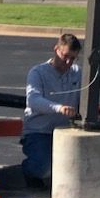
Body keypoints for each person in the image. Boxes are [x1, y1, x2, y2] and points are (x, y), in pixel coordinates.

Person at [21, 34, 82, 189]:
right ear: (56, 50)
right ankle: (30, 171)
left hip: (67, 131)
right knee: (43, 167)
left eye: (73, 59)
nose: (68, 62)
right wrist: (59, 108)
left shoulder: (77, 72)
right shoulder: (38, 73)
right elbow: (33, 100)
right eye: (65, 56)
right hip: (40, 131)